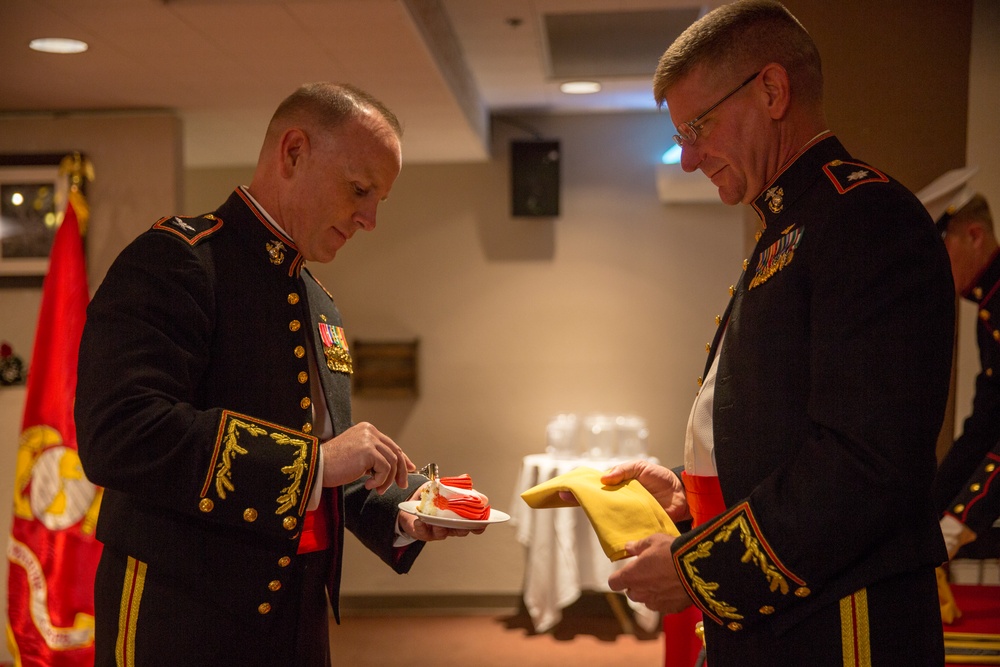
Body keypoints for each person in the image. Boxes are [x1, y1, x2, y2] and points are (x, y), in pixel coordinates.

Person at [595, 2, 955, 664]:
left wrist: (698, 569)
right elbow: (778, 428)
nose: (689, 158)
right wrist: (687, 490)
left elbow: (862, 462)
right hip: (782, 614)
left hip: (839, 623)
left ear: (771, 89)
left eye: (698, 127)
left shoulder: (865, 219)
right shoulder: (791, 230)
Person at [76, 82, 476, 667]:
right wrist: (317, 461)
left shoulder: (320, 301)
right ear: (293, 153)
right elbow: (121, 434)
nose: (369, 219)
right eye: (359, 190)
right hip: (182, 616)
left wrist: (405, 512)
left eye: (377, 200)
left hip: (296, 619)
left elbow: (321, 469)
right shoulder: (176, 259)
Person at [918, 168, 1000, 562]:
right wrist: (927, 510)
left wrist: (960, 521)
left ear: (974, 235)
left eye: (942, 245)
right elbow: (986, 423)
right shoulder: (989, 308)